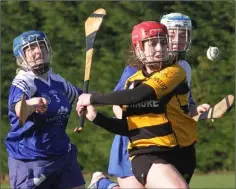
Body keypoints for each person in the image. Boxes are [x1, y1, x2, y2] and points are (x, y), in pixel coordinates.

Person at [76, 21, 205, 188]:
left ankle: (103, 185)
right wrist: (96, 118)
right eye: (152, 43)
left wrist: (93, 98)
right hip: (147, 153)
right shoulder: (132, 81)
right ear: (138, 49)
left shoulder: (174, 72)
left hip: (183, 153)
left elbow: (136, 96)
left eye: (163, 42)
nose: (159, 48)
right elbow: (129, 128)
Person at [5, 30, 119, 189]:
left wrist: (117, 99)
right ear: (20, 57)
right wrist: (32, 104)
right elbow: (20, 110)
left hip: (62, 155)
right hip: (30, 160)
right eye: (31, 49)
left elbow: (83, 97)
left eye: (41, 47)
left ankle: (99, 184)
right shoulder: (23, 82)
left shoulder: (57, 81)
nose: (38, 51)